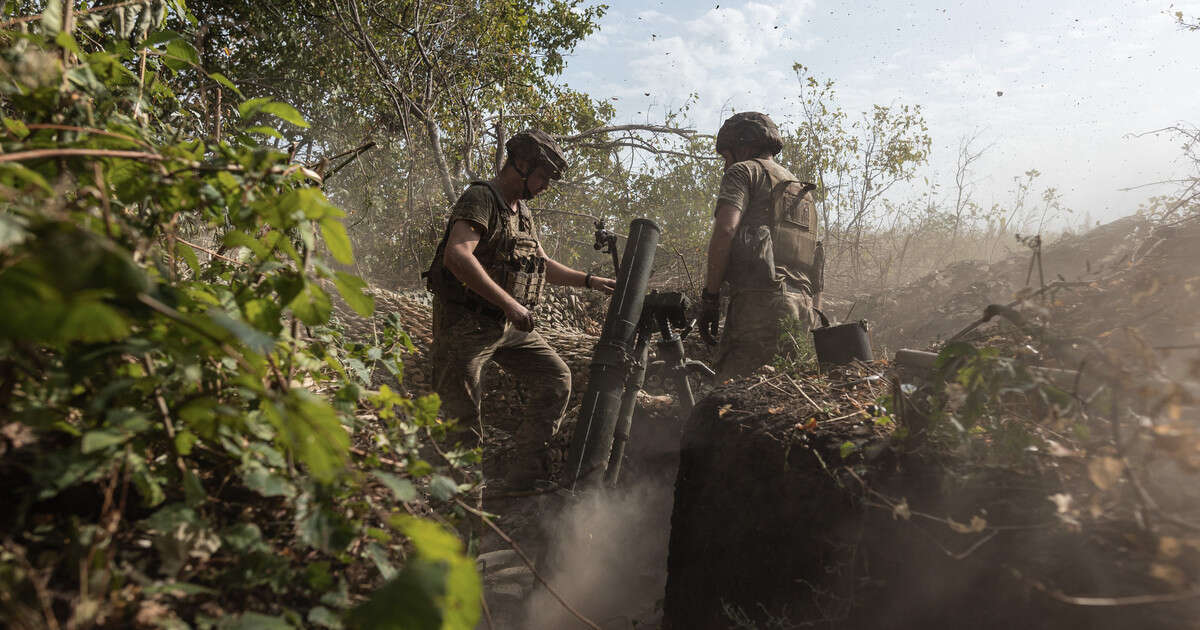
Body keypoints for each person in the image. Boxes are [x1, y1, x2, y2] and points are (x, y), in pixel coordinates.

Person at [423, 129, 615, 489]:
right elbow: (457, 255)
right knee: (461, 431)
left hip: (505, 328)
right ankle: (459, 525)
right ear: (521, 165)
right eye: (542, 176)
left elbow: (543, 264)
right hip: (464, 328)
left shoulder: (522, 212)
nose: (545, 185)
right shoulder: (481, 198)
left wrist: (590, 281)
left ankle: (523, 476)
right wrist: (510, 304)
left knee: (556, 378)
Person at [697, 112, 824, 380]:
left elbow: (726, 229)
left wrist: (710, 297)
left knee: (731, 400)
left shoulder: (744, 171)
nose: (725, 165)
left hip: (759, 305)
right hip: (802, 308)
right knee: (781, 397)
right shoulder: (802, 190)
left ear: (741, 147)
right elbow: (816, 261)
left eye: (725, 157)